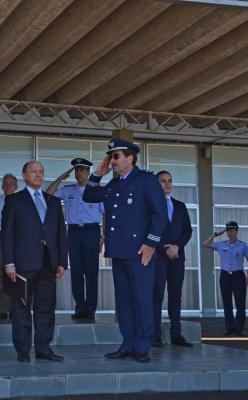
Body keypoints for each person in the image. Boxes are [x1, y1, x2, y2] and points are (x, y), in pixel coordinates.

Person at [83, 138, 167, 363]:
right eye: (110, 157)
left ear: (130, 158)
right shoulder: (114, 184)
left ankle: (143, 345)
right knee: (124, 300)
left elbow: (160, 216)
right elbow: (89, 196)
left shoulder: (146, 180)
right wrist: (97, 175)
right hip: (118, 250)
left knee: (141, 299)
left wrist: (151, 244)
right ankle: (128, 343)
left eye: (116, 157)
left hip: (140, 252)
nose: (112, 161)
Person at [1, 161, 67, 363]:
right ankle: (23, 350)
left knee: (46, 308)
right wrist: (9, 263)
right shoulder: (14, 201)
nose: (38, 175)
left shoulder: (53, 202)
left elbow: (61, 235)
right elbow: (7, 234)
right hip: (21, 264)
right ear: (24, 175)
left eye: (41, 171)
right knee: (21, 308)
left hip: (48, 263)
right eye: (34, 171)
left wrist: (62, 262)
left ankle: (43, 348)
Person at [46, 158, 104, 321]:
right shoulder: (68, 190)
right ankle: (80, 308)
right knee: (77, 272)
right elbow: (48, 195)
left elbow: (105, 214)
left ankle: (91, 309)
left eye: (82, 170)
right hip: (73, 232)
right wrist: (59, 178)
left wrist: (103, 236)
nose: (79, 173)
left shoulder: (97, 191)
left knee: (91, 272)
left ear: (88, 173)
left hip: (92, 230)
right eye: (77, 170)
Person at [152, 171, 193, 347]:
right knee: (157, 296)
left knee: (175, 296)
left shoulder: (180, 206)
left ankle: (176, 334)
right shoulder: (151, 206)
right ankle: (155, 335)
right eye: (162, 181)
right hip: (159, 257)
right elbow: (148, 230)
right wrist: (164, 248)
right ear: (156, 184)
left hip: (177, 257)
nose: (167, 184)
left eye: (169, 181)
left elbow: (188, 230)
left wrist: (177, 247)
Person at [203, 221, 248, 337]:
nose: (230, 232)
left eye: (232, 230)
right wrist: (216, 234)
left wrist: (247, 277)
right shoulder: (221, 244)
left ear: (237, 231)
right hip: (225, 276)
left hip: (238, 276)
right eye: (228, 230)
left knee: (240, 304)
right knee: (227, 303)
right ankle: (229, 328)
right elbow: (205, 243)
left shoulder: (243, 246)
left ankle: (239, 329)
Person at [0, 173, 18, 322]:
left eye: (11, 184)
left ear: (17, 186)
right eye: (5, 184)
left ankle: (15, 308)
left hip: (17, 240)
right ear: (2, 186)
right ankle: (2, 309)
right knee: (0, 275)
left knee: (15, 276)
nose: (8, 186)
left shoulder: (22, 202)